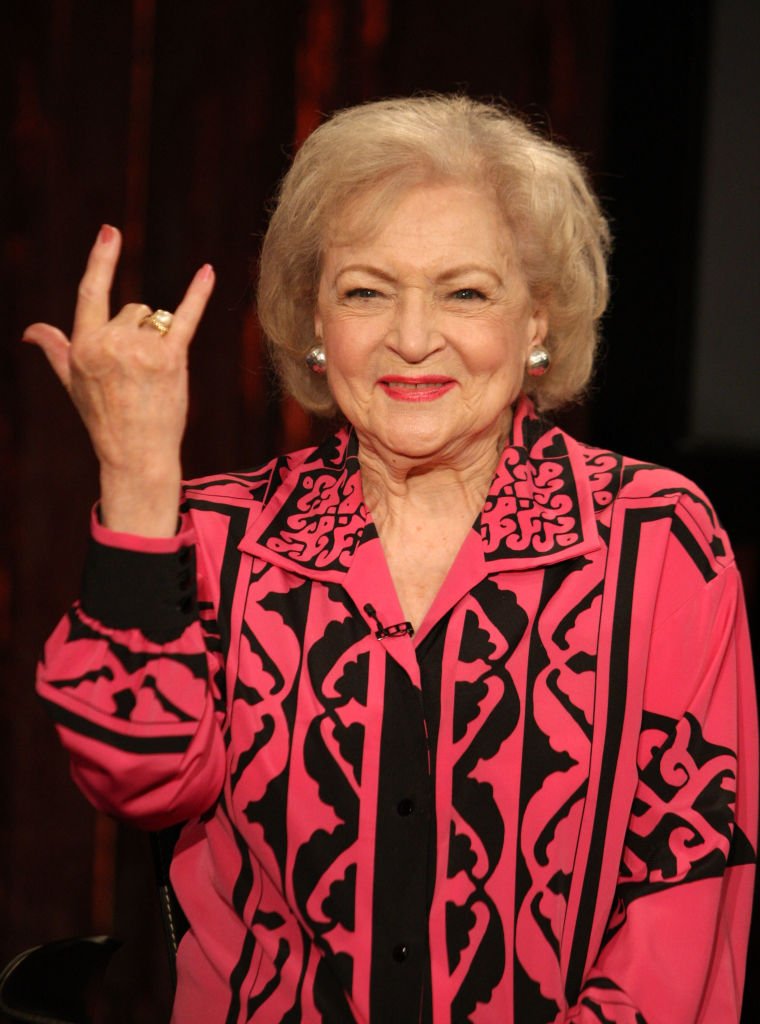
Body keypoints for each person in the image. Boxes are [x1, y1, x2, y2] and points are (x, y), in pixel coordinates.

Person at [26, 96, 757, 1023]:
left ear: (538, 321)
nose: (413, 339)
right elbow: (138, 774)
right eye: (367, 290)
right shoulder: (223, 535)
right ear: (316, 325)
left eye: (466, 291)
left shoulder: (652, 537)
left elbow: (682, 890)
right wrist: (135, 475)